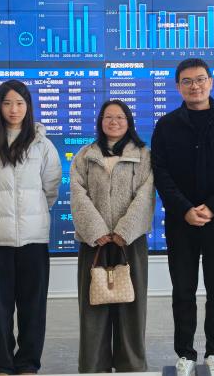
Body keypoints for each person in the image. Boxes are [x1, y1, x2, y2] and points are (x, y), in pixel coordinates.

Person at [151, 58, 214, 375]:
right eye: (187, 81)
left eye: (200, 79)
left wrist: (212, 208)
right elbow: (160, 172)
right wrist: (185, 209)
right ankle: (185, 353)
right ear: (178, 86)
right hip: (180, 222)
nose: (194, 86)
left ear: (211, 82)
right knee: (183, 291)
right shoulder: (166, 125)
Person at [0, 80, 62, 375]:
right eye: (8, 103)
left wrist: (32, 213)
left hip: (34, 238)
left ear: (28, 107)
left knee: (33, 306)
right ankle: (1, 364)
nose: (14, 109)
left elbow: (50, 188)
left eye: (20, 103)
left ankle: (27, 364)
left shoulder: (42, 144)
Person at [70, 99, 155, 373]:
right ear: (100, 121)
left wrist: (124, 231)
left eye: (120, 117)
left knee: (132, 307)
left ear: (128, 122)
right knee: (93, 307)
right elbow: (78, 194)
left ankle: (131, 365)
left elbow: (146, 195)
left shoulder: (143, 155)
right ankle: (94, 366)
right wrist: (96, 231)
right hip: (93, 243)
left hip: (129, 243)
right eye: (108, 117)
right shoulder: (85, 155)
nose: (114, 122)